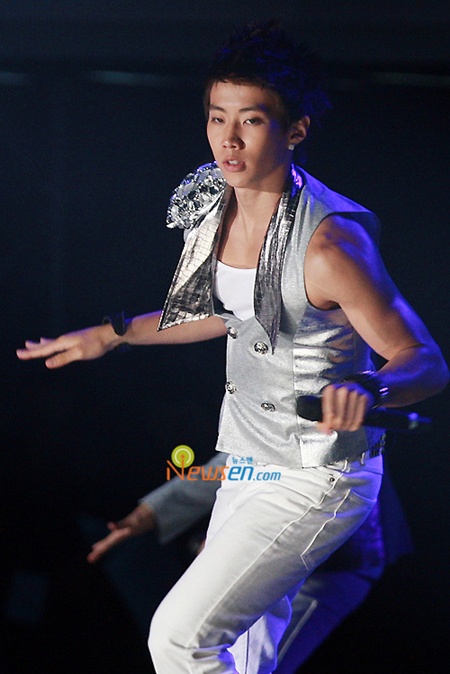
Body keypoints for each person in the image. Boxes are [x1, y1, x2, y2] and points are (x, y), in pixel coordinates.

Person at [17, 20, 448, 674]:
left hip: (316, 476)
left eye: (251, 120)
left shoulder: (331, 246)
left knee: (178, 640)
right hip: (248, 462)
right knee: (242, 663)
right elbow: (221, 312)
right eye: (218, 118)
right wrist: (112, 334)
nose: (229, 139)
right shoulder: (214, 203)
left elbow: (426, 362)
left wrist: (371, 387)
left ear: (295, 130)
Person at [86, 450, 412, 674]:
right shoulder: (256, 411)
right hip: (287, 535)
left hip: (334, 570)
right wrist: (149, 514)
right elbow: (234, 462)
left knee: (246, 665)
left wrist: (242, 545)